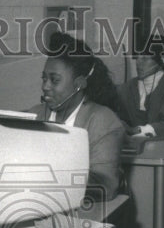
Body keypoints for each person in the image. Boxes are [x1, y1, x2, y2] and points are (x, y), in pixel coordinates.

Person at [32, 32, 125, 201]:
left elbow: (105, 186)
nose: (45, 86)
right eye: (44, 78)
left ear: (79, 84)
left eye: (54, 80)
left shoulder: (103, 122)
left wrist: (49, 175)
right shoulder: (35, 115)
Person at [118, 43, 164, 137]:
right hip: (135, 145)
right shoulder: (128, 87)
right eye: (137, 57)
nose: (139, 62)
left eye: (145, 58)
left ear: (162, 60)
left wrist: (141, 130)